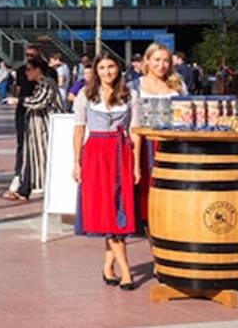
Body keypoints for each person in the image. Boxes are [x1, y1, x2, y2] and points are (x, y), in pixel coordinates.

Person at [73, 52, 142, 290]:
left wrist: (136, 164)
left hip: (121, 152)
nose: (107, 72)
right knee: (106, 211)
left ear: (118, 68)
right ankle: (126, 271)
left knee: (118, 209)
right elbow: (79, 130)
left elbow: (135, 131)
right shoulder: (85, 95)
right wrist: (76, 162)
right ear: (95, 70)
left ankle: (108, 267)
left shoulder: (131, 95)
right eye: (102, 67)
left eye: (111, 66)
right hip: (96, 154)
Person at [133, 42, 185, 231]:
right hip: (145, 145)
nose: (161, 65)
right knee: (147, 193)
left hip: (173, 145)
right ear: (147, 60)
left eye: (165, 61)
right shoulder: (134, 86)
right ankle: (151, 232)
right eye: (156, 60)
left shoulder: (178, 85)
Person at [0, 55, 61, 201]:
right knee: (30, 156)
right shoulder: (40, 84)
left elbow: (40, 101)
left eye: (28, 69)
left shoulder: (47, 83)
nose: (26, 73)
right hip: (35, 127)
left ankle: (42, 187)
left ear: (37, 70)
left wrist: (19, 100)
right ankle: (24, 188)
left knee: (43, 157)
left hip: (44, 128)